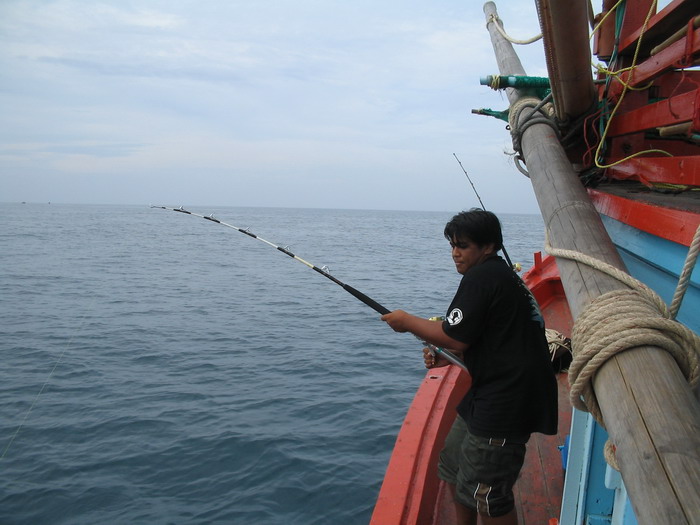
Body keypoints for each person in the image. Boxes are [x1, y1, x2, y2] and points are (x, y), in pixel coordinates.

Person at [381, 209, 558, 525]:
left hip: (507, 402)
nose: (455, 253)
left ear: (488, 247)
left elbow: (456, 336)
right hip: (489, 392)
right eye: (452, 245)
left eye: (463, 246)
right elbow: (482, 339)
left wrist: (406, 321)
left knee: (489, 496)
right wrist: (445, 352)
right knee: (452, 464)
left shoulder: (482, 277)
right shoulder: (501, 277)